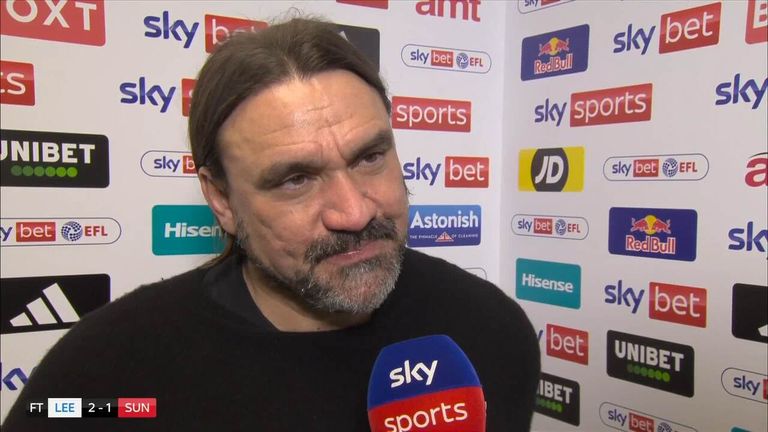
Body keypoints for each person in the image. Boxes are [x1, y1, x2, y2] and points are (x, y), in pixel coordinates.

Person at [3, 17, 539, 431]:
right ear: (221, 199)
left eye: (369, 157)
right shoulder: (102, 374)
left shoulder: (489, 329)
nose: (354, 212)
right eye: (295, 179)